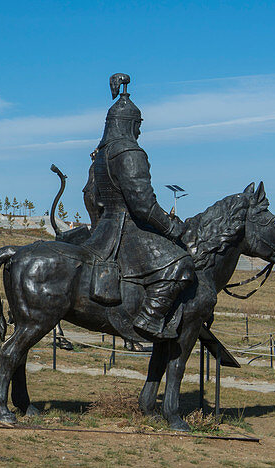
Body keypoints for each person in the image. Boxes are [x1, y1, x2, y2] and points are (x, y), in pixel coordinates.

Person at [81, 74, 194, 340]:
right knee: (182, 264)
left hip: (103, 229)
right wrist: (172, 227)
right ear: (129, 123)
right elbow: (143, 205)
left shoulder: (101, 155)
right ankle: (150, 318)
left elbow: (91, 196)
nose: (140, 131)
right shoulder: (129, 152)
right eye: (138, 125)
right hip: (127, 229)